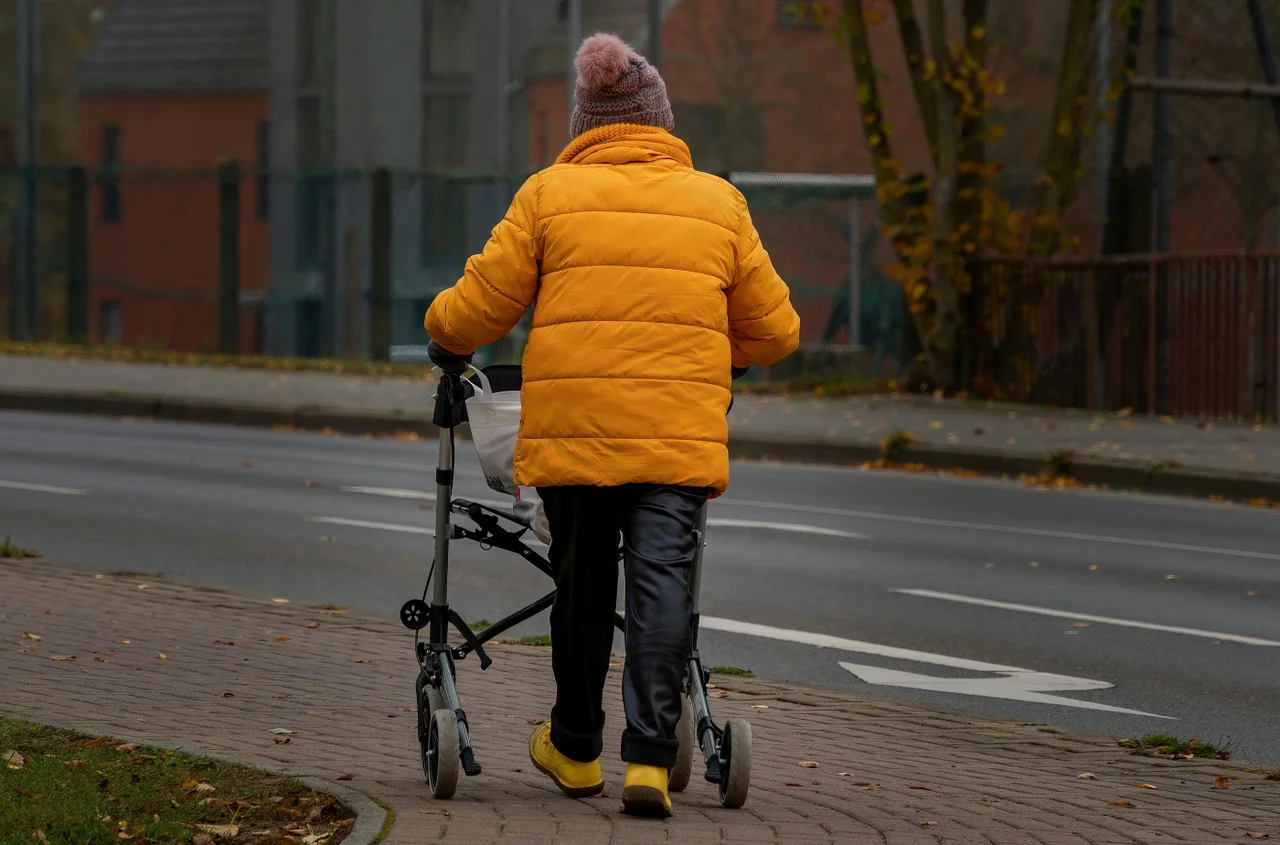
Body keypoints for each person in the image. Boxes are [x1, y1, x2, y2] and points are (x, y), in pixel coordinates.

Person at [423, 32, 800, 817]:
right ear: (661, 122)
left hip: (576, 431)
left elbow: (482, 303)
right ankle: (652, 762)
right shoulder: (718, 202)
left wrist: (444, 334)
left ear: (586, 125)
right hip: (678, 434)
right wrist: (711, 345)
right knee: (663, 581)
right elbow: (776, 332)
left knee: (583, 581)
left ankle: (574, 746)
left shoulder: (548, 194)